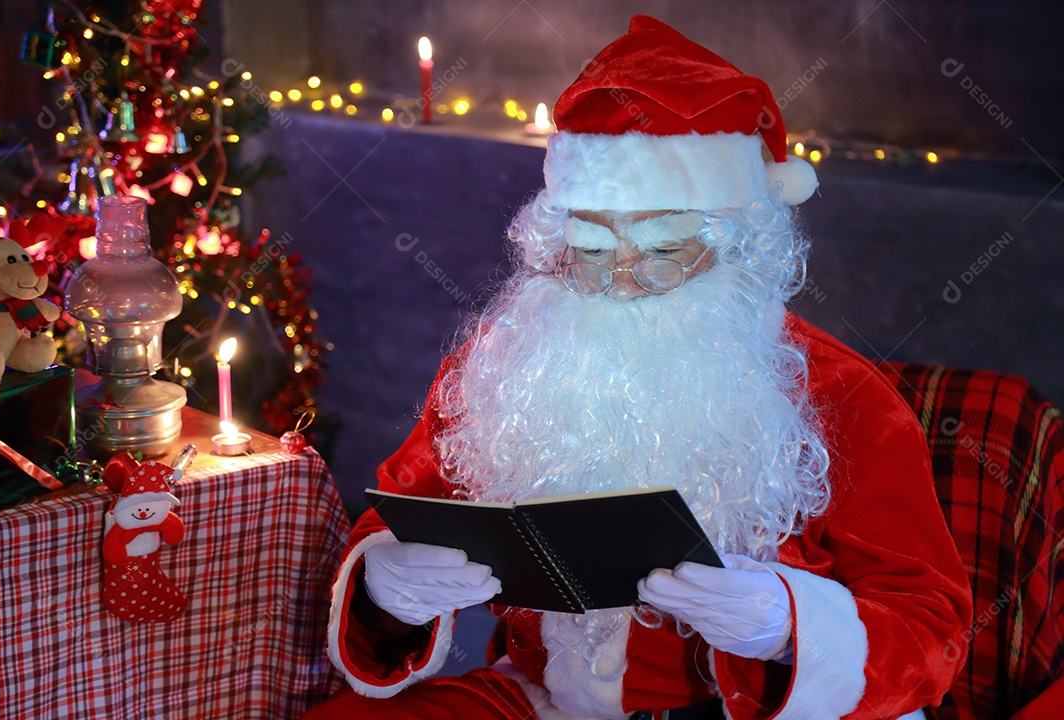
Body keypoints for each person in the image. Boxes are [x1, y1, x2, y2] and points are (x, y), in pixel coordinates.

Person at [304, 15, 972, 720]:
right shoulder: (505, 363)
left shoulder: (841, 392)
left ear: (737, 243)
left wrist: (789, 627)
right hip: (546, 700)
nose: (619, 279)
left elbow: (933, 630)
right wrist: (384, 587)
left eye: (661, 248)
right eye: (591, 247)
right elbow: (400, 511)